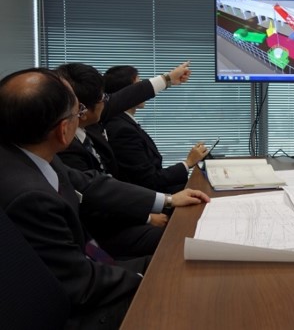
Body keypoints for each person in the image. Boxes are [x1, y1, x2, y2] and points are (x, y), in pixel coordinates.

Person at [0, 68, 210, 328]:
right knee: (187, 290)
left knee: (178, 260)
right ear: (64, 131)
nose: (85, 115)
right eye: (78, 112)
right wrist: (151, 278)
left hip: (88, 270)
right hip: (75, 309)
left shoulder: (27, 152)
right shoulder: (30, 197)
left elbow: (91, 185)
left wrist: (167, 200)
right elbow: (80, 283)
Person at [103, 65, 206, 193]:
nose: (143, 91)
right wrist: (188, 163)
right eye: (139, 85)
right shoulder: (121, 129)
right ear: (128, 92)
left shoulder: (125, 122)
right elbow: (149, 180)